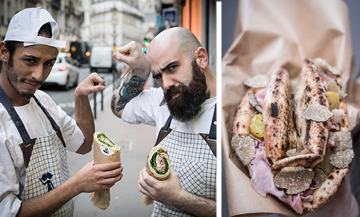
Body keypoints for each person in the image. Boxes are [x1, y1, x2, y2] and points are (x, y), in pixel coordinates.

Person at [0, 7, 123, 217]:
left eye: (48, 64)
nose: (39, 76)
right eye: (30, 60)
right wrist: (76, 185)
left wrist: (81, 96)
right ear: (4, 52)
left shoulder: (43, 102)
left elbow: (84, 143)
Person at [111, 27, 217, 216]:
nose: (166, 84)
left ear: (201, 58)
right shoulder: (164, 100)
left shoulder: (237, 112)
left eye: (172, 68)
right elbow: (118, 107)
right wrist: (142, 69)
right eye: (158, 76)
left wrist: (176, 197)